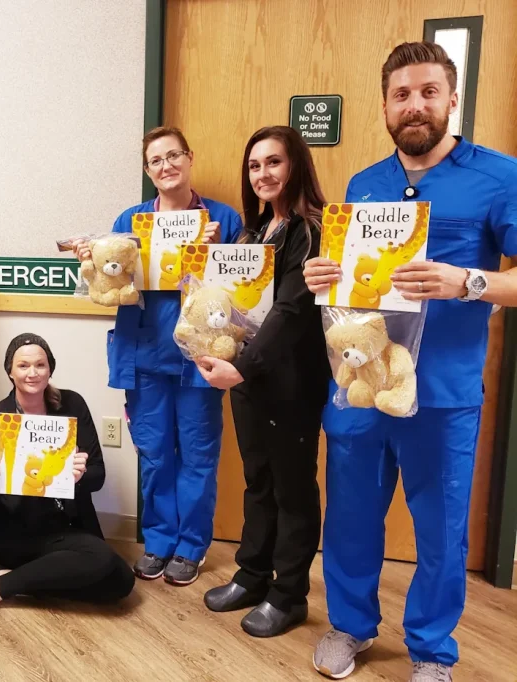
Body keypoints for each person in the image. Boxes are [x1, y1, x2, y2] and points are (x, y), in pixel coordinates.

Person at [303, 42, 517, 682]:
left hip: (444, 394)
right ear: (386, 106)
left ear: (452, 99)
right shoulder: (362, 185)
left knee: (442, 530)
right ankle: (350, 626)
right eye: (401, 94)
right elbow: (353, 289)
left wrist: (469, 282)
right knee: (350, 517)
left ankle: (431, 649)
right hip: (361, 387)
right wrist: (322, 278)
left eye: (428, 92)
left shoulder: (500, 177)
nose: (415, 105)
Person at [75, 126, 243, 585]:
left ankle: (190, 546)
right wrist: (90, 258)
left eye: (173, 155)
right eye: (156, 160)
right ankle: (159, 540)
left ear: (189, 158)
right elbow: (109, 286)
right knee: (154, 454)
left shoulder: (223, 219)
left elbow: (246, 292)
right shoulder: (130, 222)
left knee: (198, 455)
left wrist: (216, 253)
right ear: (148, 171)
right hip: (144, 353)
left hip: (199, 359)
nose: (166, 165)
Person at [196, 126, 330, 638]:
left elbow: (291, 310)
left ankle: (288, 594)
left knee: (292, 488)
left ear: (296, 166)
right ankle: (253, 575)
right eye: (254, 165)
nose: (263, 174)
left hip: (291, 381)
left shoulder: (312, 230)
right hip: (249, 378)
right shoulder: (251, 235)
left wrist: (243, 367)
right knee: (259, 481)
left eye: (273, 162)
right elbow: (231, 304)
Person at [0, 333, 134, 626]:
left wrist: (79, 476)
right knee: (102, 560)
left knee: (121, 582)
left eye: (40, 365)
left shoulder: (72, 405)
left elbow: (98, 476)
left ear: (50, 368)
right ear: (10, 371)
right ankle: (1, 588)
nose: (32, 373)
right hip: (16, 532)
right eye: (23, 365)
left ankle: (10, 579)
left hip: (70, 523)